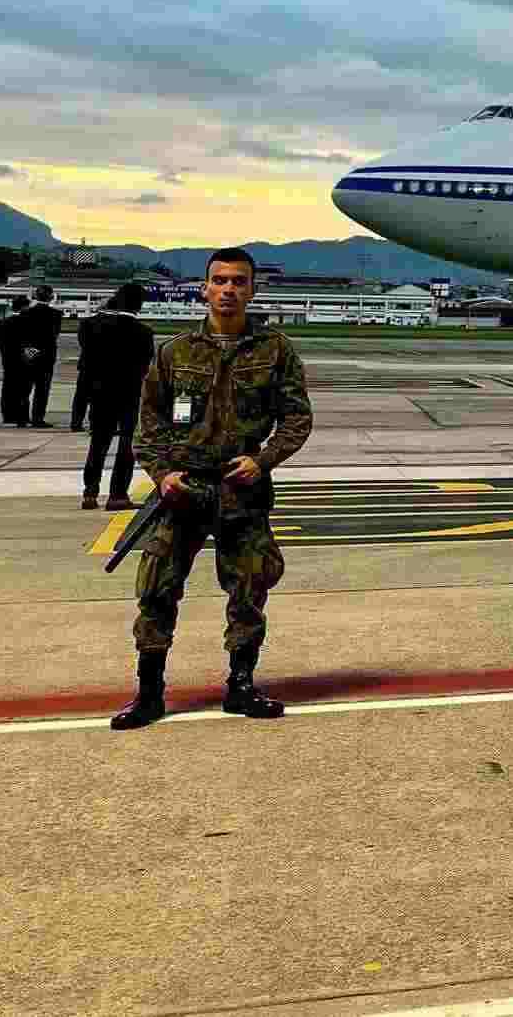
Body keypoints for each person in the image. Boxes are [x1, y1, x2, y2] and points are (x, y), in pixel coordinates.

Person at [111, 249, 310, 730]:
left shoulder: (275, 350)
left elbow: (297, 418)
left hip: (241, 490)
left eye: (239, 281)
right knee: (156, 589)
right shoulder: (175, 352)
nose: (228, 290)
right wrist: (162, 474)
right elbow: (149, 422)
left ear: (252, 290)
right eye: (219, 281)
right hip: (183, 490)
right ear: (204, 289)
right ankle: (149, 693)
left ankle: (241, 686)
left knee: (249, 590)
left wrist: (263, 461)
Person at [76, 284, 156, 510]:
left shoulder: (92, 327)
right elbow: (147, 368)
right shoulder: (144, 332)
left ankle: (90, 492)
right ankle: (118, 494)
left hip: (100, 393)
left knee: (98, 444)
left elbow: (87, 363)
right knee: (127, 445)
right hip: (130, 394)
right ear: (139, 305)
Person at [19, 283, 62, 428]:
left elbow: (22, 335)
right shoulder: (56, 314)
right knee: (42, 390)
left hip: (29, 354)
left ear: (35, 296)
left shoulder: (25, 312)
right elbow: (54, 335)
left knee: (24, 388)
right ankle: (37, 418)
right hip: (46, 355)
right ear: (51, 297)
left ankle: (22, 418)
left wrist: (29, 349)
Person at [0, 295, 32, 427]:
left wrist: (6, 355)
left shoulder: (3, 322)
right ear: (24, 307)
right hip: (24, 360)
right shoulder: (28, 322)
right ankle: (22, 417)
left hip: (8, 360)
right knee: (23, 390)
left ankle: (8, 416)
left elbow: (0, 342)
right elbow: (31, 343)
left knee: (8, 388)